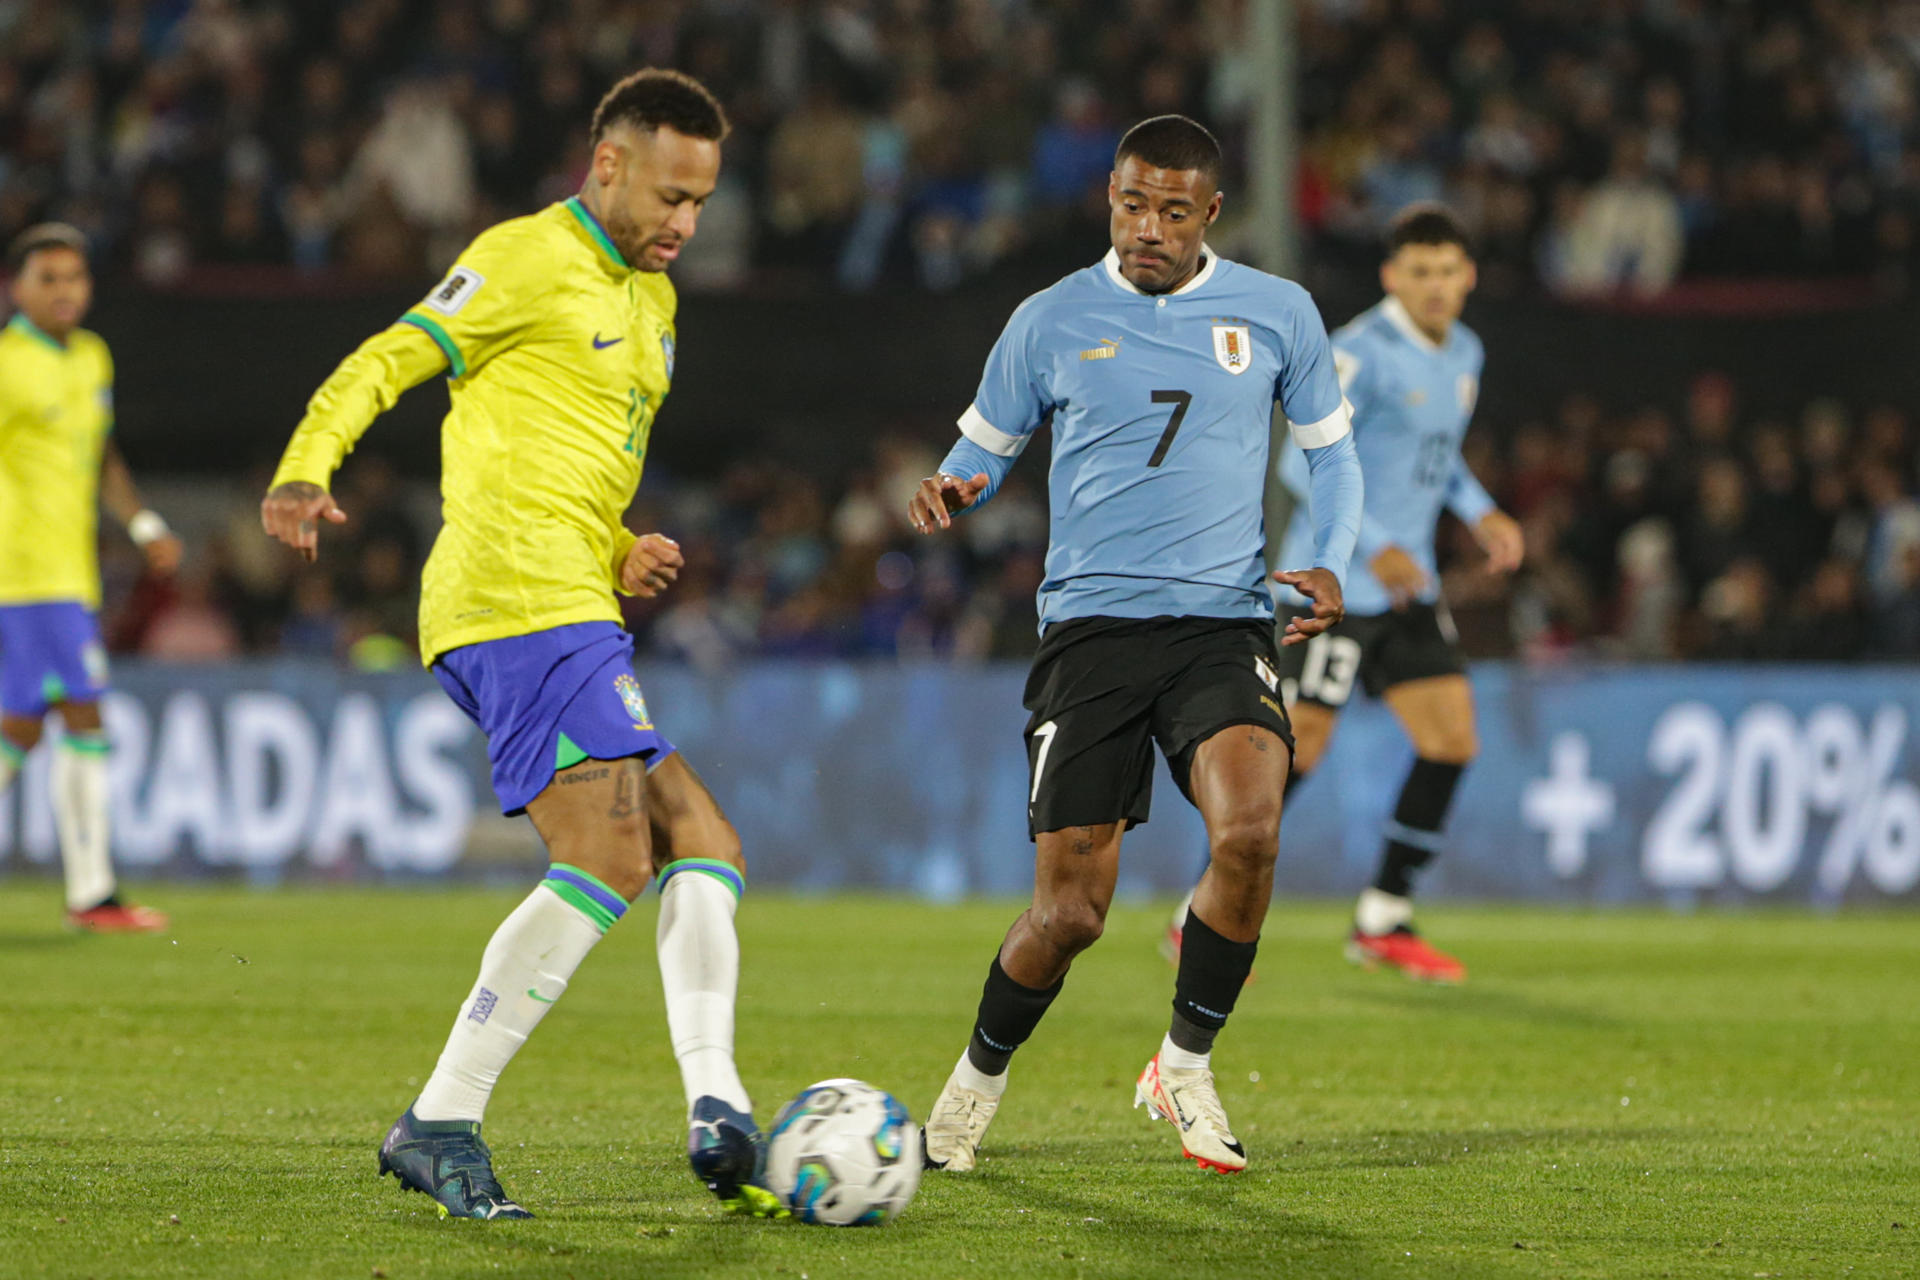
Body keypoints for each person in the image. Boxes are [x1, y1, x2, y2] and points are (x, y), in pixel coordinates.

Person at [261, 69, 778, 1221]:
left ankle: (718, 1108)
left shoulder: (654, 300)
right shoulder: (526, 255)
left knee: (706, 839)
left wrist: (614, 545)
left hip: (569, 595)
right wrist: (309, 460)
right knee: (611, 853)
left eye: (703, 202)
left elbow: (563, 453)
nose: (687, 224)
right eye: (671, 195)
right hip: (509, 598)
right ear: (608, 165)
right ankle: (444, 1115)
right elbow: (391, 355)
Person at [908, 115, 1364, 1175]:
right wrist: (956, 482)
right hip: (1092, 632)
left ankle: (1186, 1062)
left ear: (1210, 213)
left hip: (1223, 620)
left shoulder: (1277, 311)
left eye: (1170, 209)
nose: (1145, 227)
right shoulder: (1051, 317)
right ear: (1108, 197)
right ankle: (976, 1079)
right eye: (1129, 204)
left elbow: (1334, 459)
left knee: (1250, 830)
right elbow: (985, 440)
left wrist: (1329, 553)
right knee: (1070, 912)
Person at [1187, 203, 1522, 983]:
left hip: (1406, 592)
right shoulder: (1358, 356)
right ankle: (1204, 903)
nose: (1435, 287)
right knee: (1295, 752)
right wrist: (1380, 546)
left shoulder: (1465, 350)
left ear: (1467, 277)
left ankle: (1382, 917)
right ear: (1392, 277)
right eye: (1419, 273)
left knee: (1451, 742)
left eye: (1447, 272)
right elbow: (1299, 467)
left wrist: (1482, 512)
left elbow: (1439, 461)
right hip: (1331, 585)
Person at [0, 223, 181, 933]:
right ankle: (94, 895)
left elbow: (102, 455)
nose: (64, 290)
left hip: (70, 573)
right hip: (24, 574)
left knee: (21, 725)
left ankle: (93, 894)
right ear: (17, 287)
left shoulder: (91, 359)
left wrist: (141, 525)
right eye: (48, 278)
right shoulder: (8, 363)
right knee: (84, 709)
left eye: (74, 276)